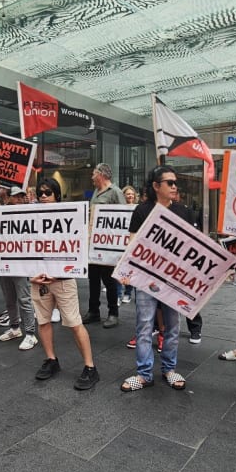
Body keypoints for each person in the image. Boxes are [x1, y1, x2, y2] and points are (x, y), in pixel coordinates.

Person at [119, 165, 191, 392]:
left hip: (172, 280)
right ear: (156, 186)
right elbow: (132, 244)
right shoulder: (141, 210)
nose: (174, 186)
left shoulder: (183, 211)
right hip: (145, 278)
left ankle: (169, 369)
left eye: (175, 182)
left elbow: (191, 248)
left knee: (171, 326)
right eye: (169, 182)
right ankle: (144, 374)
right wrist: (126, 272)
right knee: (144, 326)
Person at [29, 179, 99, 389]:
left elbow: (77, 250)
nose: (43, 196)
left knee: (74, 323)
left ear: (56, 196)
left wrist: (59, 275)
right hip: (38, 280)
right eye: (40, 193)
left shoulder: (71, 217)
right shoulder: (31, 218)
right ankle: (51, 360)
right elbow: (23, 250)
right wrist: (29, 275)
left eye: (47, 193)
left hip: (63, 281)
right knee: (43, 321)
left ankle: (90, 367)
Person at [0, 182, 38, 350]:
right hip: (4, 261)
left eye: (21, 196)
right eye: (16, 196)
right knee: (9, 298)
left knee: (24, 298)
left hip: (20, 262)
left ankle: (30, 334)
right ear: (9, 198)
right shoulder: (3, 211)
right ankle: (15, 328)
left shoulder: (29, 212)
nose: (19, 198)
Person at [83, 163, 124, 328]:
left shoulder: (115, 192)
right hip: (94, 244)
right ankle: (94, 311)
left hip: (108, 246)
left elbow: (123, 217)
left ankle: (113, 313)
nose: (92, 177)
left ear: (101, 174)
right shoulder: (96, 192)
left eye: (93, 173)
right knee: (93, 278)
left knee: (108, 280)